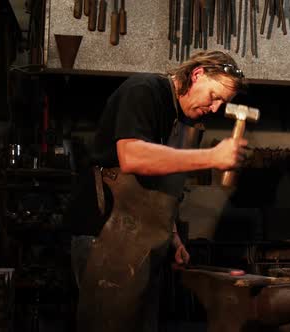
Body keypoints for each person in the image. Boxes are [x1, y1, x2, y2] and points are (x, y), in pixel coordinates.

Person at [67, 50, 248, 332]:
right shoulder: (144, 91)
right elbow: (133, 157)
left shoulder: (184, 121)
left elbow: (159, 185)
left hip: (144, 239)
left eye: (223, 103)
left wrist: (172, 236)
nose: (215, 109)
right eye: (214, 96)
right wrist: (212, 157)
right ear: (198, 74)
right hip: (105, 234)